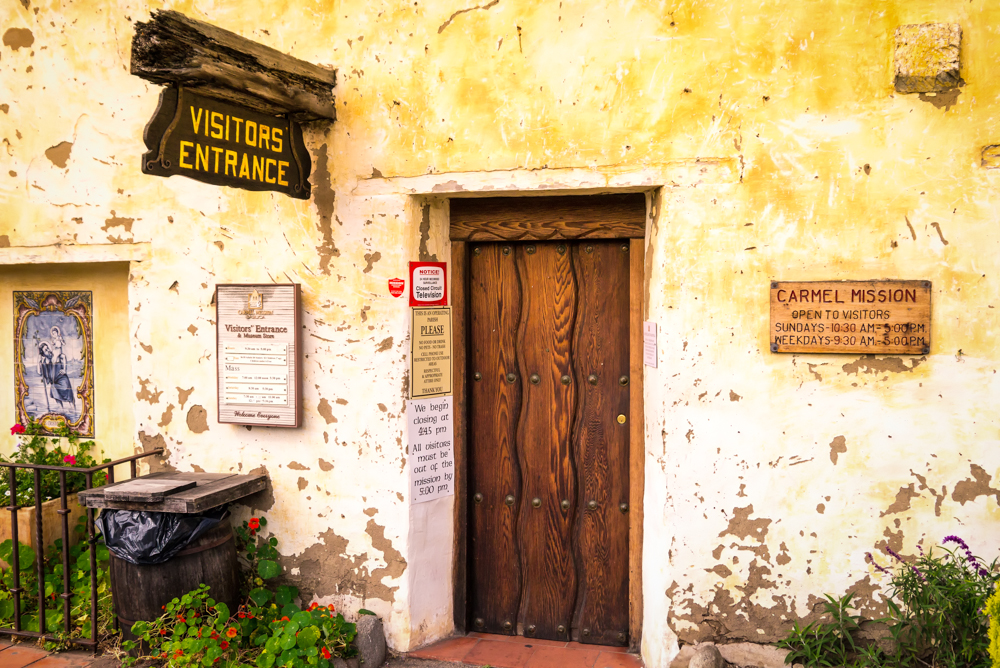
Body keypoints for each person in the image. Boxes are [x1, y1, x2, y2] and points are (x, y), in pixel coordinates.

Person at [36, 341, 76, 411]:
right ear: (43, 354)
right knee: (54, 392)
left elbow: (63, 356)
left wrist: (64, 369)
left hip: (62, 379)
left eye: (48, 348)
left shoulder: (55, 355)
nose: (48, 350)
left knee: (69, 397)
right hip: (54, 382)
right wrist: (38, 361)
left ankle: (73, 410)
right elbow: (39, 372)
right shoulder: (44, 361)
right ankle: (62, 410)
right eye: (46, 350)